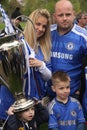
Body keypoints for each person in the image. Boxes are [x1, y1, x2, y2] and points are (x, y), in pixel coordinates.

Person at [47, 0, 87, 101]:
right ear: (55, 16)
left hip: (71, 95)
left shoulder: (83, 36)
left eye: (68, 14)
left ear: (73, 15)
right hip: (48, 93)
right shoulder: (47, 33)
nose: (65, 18)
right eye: (60, 15)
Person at [23, 9, 52, 100]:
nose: (41, 29)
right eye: (38, 24)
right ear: (30, 23)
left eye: (44, 26)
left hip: (37, 100)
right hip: (18, 99)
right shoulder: (18, 43)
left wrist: (41, 65)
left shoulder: (44, 47)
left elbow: (48, 77)